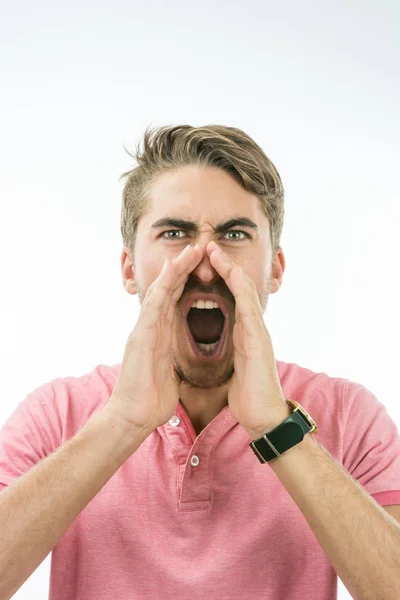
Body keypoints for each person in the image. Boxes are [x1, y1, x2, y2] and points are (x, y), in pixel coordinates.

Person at [0, 125, 399, 600]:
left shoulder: (347, 414)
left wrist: (277, 427)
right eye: (175, 233)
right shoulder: (56, 413)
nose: (205, 264)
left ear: (274, 268)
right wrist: (122, 423)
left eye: (233, 233)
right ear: (129, 268)